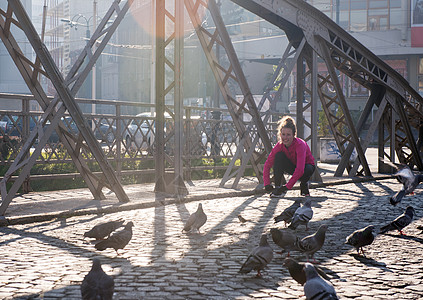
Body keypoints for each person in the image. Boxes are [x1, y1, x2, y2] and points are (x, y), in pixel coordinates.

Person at [263, 116, 315, 197]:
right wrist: (267, 184)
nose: (285, 138)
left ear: (294, 135)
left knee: (307, 170)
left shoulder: (300, 144)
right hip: (292, 166)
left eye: (288, 135)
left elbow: (300, 169)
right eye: (283, 134)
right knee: (278, 156)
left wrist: (287, 186)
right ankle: (278, 187)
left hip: (306, 167)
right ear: (280, 134)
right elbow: (267, 164)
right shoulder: (279, 146)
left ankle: (304, 184)